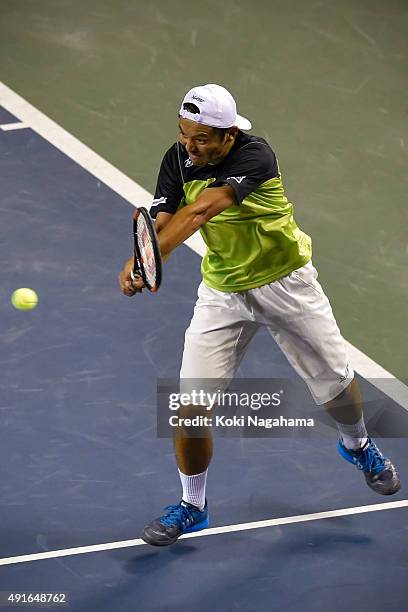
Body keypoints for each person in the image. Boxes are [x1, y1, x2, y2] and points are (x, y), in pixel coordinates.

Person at [118, 84, 400, 547]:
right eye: (185, 135)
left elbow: (200, 211)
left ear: (229, 135)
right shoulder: (178, 157)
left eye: (202, 138)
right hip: (223, 291)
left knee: (335, 385)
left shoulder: (255, 157)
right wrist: (139, 258)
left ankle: (358, 446)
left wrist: (150, 263)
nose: (190, 146)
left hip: (287, 283)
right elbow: (165, 217)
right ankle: (193, 505)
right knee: (190, 409)